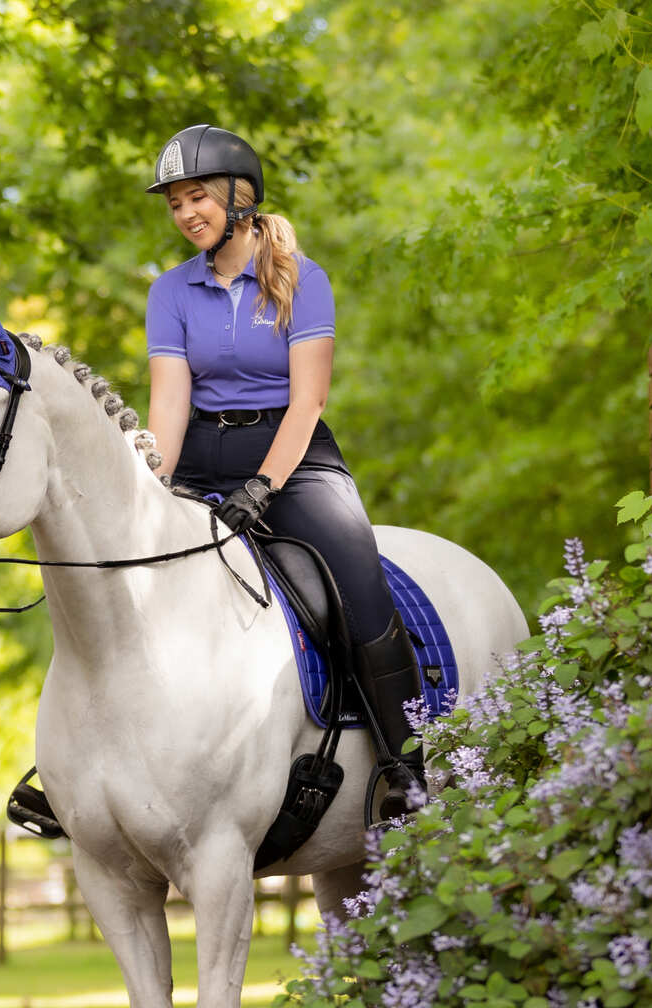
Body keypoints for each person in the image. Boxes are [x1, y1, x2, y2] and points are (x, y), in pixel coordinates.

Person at [144, 123, 423, 817]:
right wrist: (153, 487)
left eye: (197, 197)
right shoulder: (170, 292)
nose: (185, 215)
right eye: (175, 204)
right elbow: (170, 405)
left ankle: (405, 765)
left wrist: (263, 486)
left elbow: (309, 401)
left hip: (293, 457)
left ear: (240, 196)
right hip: (200, 454)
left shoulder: (304, 279)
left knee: (358, 578)